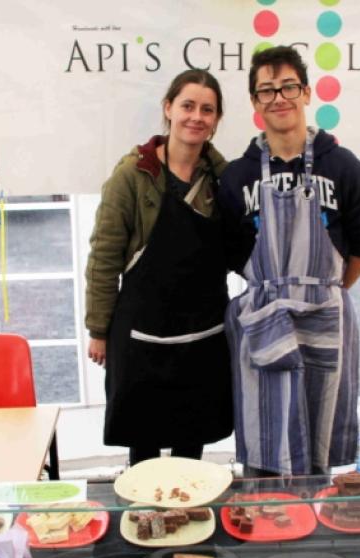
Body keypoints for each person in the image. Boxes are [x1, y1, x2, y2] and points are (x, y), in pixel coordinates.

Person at [218, 46, 360, 476]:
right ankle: (264, 526)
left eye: (288, 86)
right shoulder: (237, 177)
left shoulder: (344, 167)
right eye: (266, 90)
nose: (279, 98)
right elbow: (232, 251)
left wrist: (326, 287)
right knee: (266, 437)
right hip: (265, 317)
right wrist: (274, 284)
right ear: (254, 103)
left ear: (307, 92)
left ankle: (315, 532)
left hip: (326, 313)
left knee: (319, 435)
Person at [84, 69, 233, 466]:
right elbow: (103, 258)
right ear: (168, 109)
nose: (196, 116)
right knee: (143, 442)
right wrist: (99, 330)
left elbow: (241, 249)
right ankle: (144, 519)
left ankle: (189, 517)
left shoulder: (225, 181)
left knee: (193, 441)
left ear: (216, 120)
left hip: (203, 333)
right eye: (187, 105)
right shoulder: (132, 176)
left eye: (207, 109)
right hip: (141, 335)